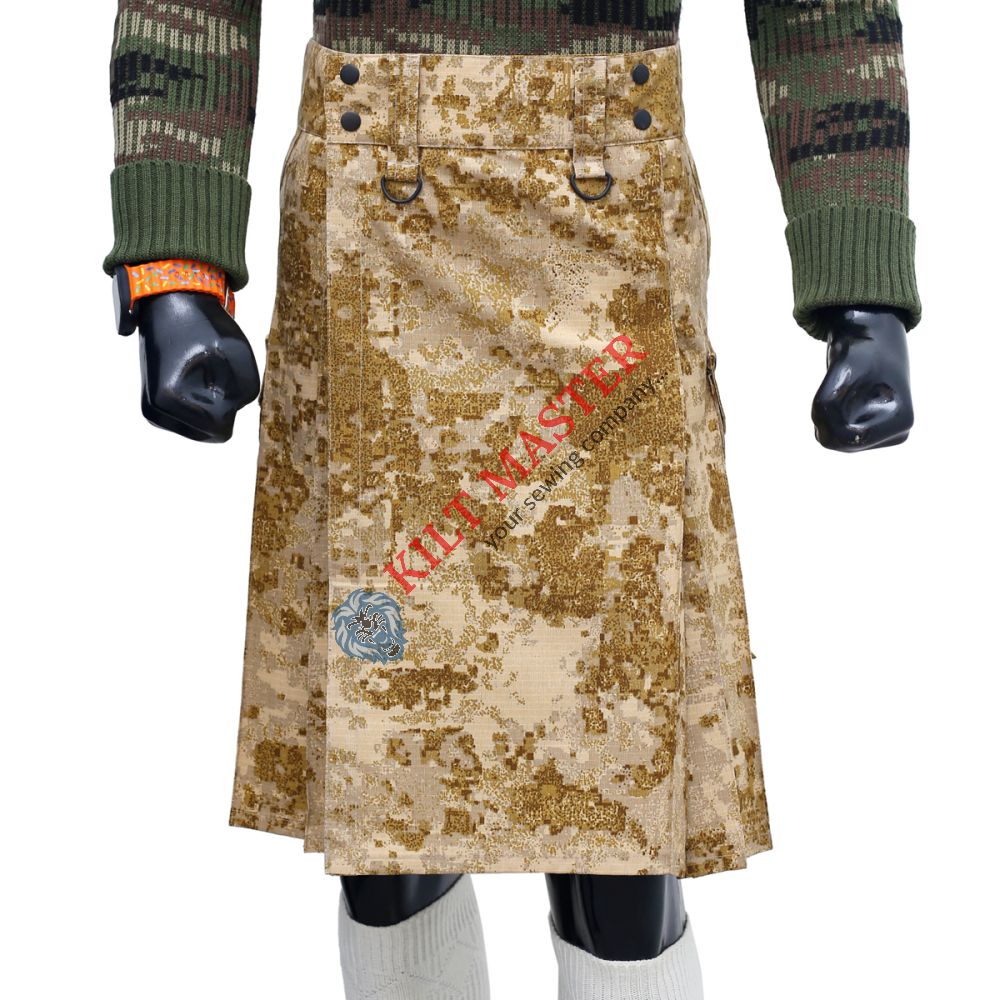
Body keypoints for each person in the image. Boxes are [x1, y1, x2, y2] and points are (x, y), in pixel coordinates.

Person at [102, 4, 919, 998]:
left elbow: (822, 10)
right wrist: (174, 272)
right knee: (388, 814)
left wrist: (860, 290)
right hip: (371, 222)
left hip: (614, 236)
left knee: (624, 819)